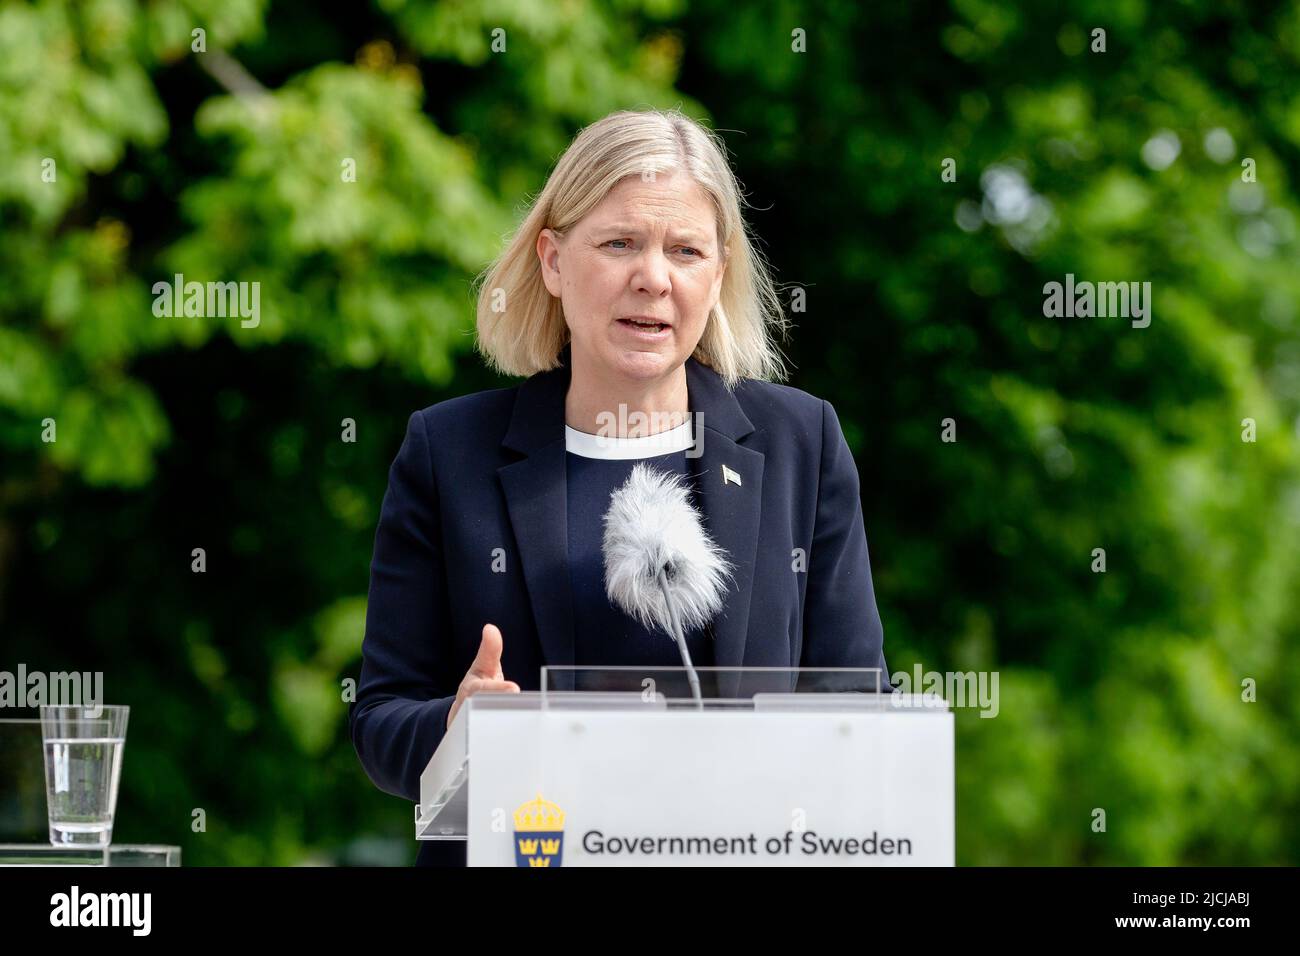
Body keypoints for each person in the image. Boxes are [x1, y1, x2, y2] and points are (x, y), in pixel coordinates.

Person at [348, 108, 889, 866]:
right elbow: (380, 719)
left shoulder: (804, 443)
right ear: (553, 261)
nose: (654, 278)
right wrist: (455, 726)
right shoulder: (448, 453)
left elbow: (855, 707)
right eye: (620, 243)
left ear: (719, 272)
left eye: (686, 250)